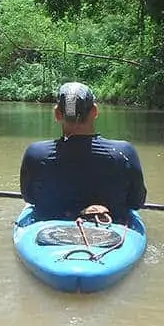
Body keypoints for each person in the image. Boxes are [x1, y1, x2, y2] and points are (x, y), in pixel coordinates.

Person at [19, 82, 147, 223]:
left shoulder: (35, 153)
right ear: (95, 112)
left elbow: (29, 198)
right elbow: (136, 202)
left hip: (51, 229)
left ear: (57, 114)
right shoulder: (124, 152)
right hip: (110, 227)